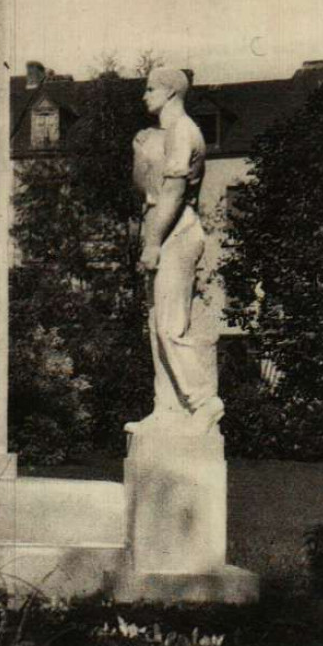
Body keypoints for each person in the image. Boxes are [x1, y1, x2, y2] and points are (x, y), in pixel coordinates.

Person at [126, 67, 224, 436]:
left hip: (176, 233)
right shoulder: (164, 135)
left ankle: (204, 402)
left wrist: (152, 243)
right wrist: (142, 152)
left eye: (150, 89)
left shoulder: (184, 131)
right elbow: (148, 191)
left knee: (170, 325)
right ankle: (167, 407)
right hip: (162, 229)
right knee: (157, 324)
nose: (144, 95)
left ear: (170, 92)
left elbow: (173, 192)